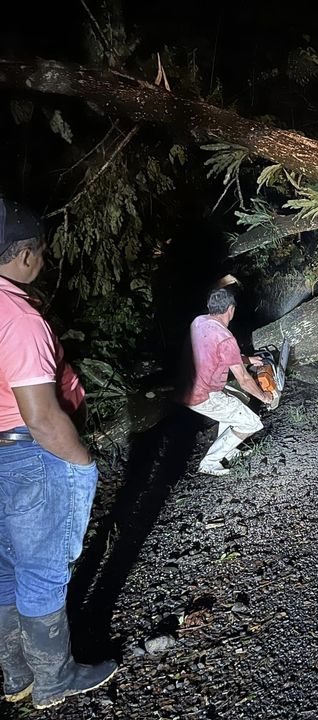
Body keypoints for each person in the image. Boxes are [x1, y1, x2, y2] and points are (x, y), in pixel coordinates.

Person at [0, 198, 118, 709]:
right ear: (25, 254)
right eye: (41, 252)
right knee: (41, 570)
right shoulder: (18, 318)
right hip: (28, 457)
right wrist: (82, 462)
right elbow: (43, 418)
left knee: (4, 570)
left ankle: (15, 677)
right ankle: (54, 680)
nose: (42, 261)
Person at [181, 285, 273, 476]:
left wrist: (248, 359)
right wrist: (264, 397)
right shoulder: (225, 338)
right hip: (203, 395)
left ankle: (229, 451)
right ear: (231, 309)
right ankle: (210, 462)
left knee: (240, 399)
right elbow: (244, 379)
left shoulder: (199, 322)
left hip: (187, 386)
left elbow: (216, 353)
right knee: (251, 423)